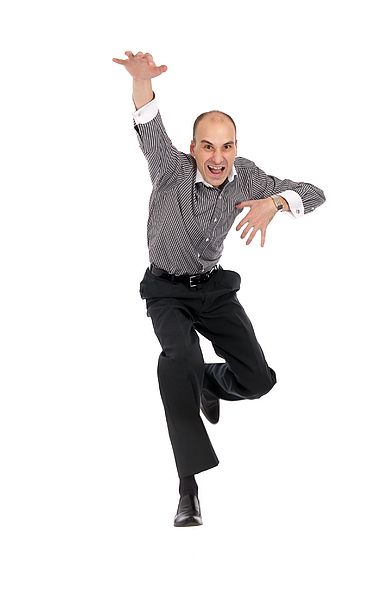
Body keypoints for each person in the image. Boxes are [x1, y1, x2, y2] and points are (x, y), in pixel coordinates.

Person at [112, 50, 326, 527]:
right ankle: (188, 486)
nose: (218, 157)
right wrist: (143, 81)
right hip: (167, 293)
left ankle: (210, 380)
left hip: (214, 292)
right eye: (208, 147)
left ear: (236, 148)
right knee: (179, 363)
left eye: (226, 147)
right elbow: (148, 119)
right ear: (193, 148)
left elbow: (314, 192)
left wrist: (275, 202)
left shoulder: (246, 175)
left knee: (257, 381)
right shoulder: (169, 167)